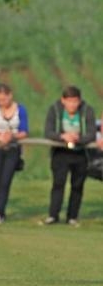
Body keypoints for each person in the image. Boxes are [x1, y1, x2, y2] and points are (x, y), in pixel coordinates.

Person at [40, 86, 96, 226]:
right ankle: (53, 215)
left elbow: (91, 134)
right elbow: (48, 132)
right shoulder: (54, 110)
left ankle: (72, 217)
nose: (72, 105)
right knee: (58, 184)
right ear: (63, 100)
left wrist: (78, 139)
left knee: (77, 185)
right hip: (61, 152)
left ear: (79, 101)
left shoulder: (87, 110)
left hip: (80, 153)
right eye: (69, 101)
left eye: (75, 101)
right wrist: (62, 136)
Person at [0, 83, 29, 225]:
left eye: (4, 99)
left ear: (10, 95)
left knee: (6, 179)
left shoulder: (20, 110)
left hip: (12, 149)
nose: (1, 103)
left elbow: (24, 131)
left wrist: (12, 136)